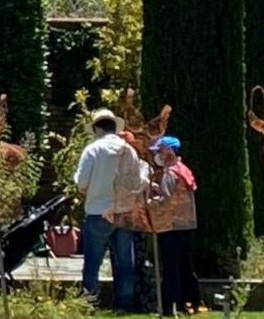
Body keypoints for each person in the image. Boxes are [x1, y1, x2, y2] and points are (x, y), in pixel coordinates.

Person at [73, 109, 148, 311]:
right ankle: (124, 303)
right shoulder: (129, 151)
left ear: (97, 129)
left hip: (98, 211)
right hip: (124, 212)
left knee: (93, 261)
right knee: (125, 262)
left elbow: (81, 183)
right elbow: (135, 183)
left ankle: (89, 301)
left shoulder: (93, 150)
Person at [148, 136, 203, 314]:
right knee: (185, 265)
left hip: (171, 225)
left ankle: (170, 305)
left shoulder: (170, 173)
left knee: (171, 267)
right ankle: (193, 301)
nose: (158, 155)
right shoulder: (183, 169)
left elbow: (166, 200)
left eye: (160, 151)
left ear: (169, 152)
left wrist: (150, 202)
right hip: (186, 224)